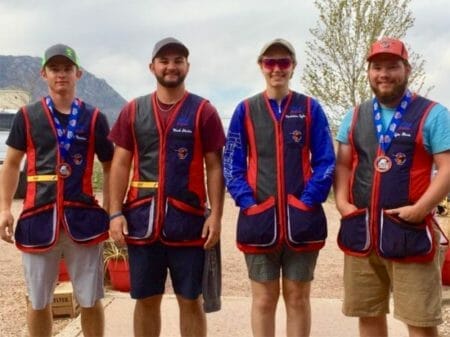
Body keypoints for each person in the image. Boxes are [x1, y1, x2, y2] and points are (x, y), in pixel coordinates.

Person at [108, 37, 225, 337]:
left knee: (191, 300)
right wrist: (114, 213)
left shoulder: (203, 111)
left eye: (178, 60)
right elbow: (121, 164)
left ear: (187, 66)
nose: (171, 66)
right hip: (142, 223)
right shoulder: (133, 110)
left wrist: (216, 216)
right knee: (146, 300)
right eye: (164, 61)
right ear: (152, 66)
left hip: (188, 224)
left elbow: (214, 166)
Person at [334, 37, 450, 337]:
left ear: (407, 69)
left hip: (410, 232)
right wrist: (343, 205)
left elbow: (447, 167)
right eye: (377, 67)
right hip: (362, 232)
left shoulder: (433, 113)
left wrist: (421, 209)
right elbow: (344, 164)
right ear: (369, 72)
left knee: (421, 323)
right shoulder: (355, 115)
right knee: (368, 316)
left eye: (392, 66)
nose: (384, 74)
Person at [223, 38, 335, 337]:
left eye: (283, 62)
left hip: (302, 220)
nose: (277, 69)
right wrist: (248, 203)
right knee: (263, 299)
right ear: (261, 66)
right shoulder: (245, 110)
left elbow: (326, 160)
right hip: (259, 219)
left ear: (293, 67)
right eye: (270, 63)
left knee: (298, 298)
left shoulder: (310, 108)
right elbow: (231, 162)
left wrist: (309, 200)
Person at [0, 43, 114, 337]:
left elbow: (111, 164)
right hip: (39, 220)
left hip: (84, 221)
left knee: (90, 300)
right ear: (44, 73)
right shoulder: (27, 116)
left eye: (66, 68)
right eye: (54, 68)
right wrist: (4, 210)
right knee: (38, 302)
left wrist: (114, 212)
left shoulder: (94, 117)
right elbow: (11, 164)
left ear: (78, 73)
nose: (61, 74)